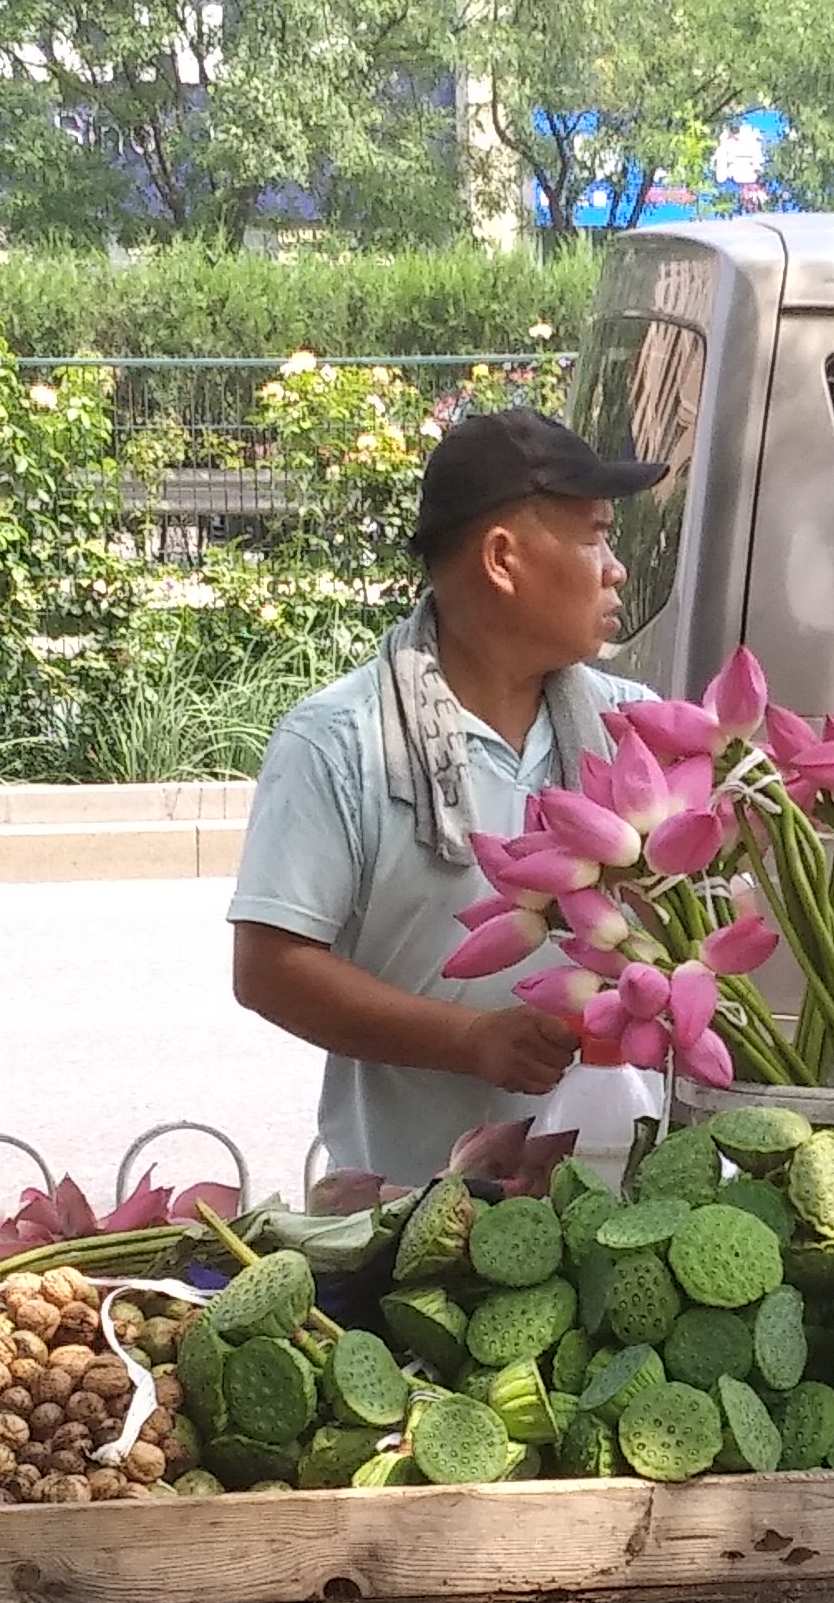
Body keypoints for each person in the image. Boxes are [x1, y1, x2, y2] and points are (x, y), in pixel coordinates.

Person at [228, 404, 666, 1186]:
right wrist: (470, 1040)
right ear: (503, 559)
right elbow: (270, 967)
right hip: (399, 1221)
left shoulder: (635, 730)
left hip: (613, 1209)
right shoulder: (339, 741)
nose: (616, 566)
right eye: (595, 535)